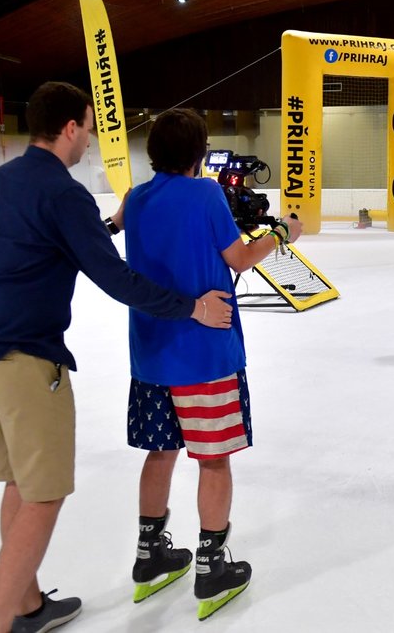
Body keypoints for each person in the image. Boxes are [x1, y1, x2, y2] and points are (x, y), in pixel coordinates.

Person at [0, 82, 233, 633]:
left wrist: (111, 224)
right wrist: (191, 308)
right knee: (44, 495)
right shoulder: (63, 191)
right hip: (21, 359)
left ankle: (27, 606)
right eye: (90, 125)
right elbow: (117, 278)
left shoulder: (1, 181)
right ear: (71, 128)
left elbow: (55, 243)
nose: (93, 138)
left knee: (20, 485)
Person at [120, 108, 302, 620]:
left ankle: (149, 554)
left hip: (152, 355)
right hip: (204, 355)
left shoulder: (136, 199)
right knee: (213, 458)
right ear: (199, 152)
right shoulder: (204, 194)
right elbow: (240, 258)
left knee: (161, 453)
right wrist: (285, 232)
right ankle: (211, 565)